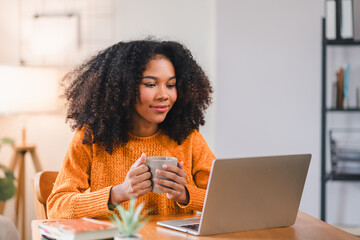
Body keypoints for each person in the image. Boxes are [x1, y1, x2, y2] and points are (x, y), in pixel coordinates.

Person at [47, 39, 215, 219]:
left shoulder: (188, 138)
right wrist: (118, 193)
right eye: (151, 84)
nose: (164, 95)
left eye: (170, 85)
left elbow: (226, 199)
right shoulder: (91, 137)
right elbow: (57, 207)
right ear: (122, 88)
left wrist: (185, 195)